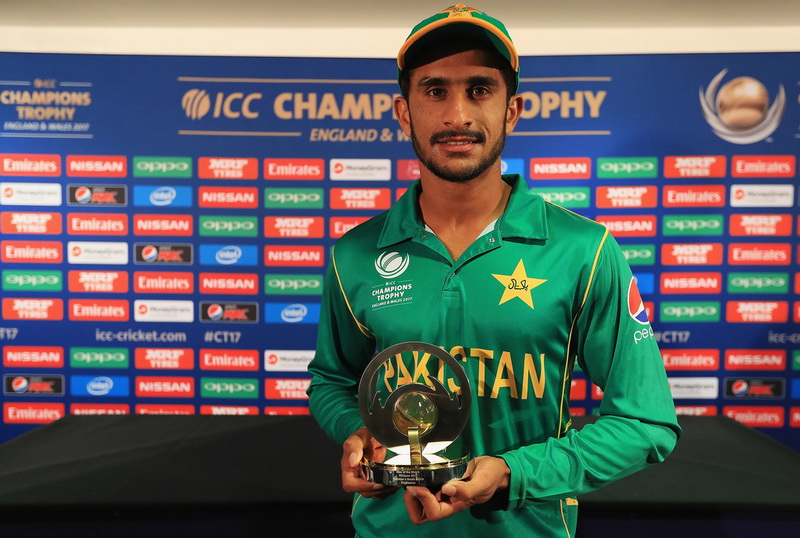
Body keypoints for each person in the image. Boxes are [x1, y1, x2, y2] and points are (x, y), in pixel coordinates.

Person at [307, 4, 680, 537]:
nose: (457, 115)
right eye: (435, 91)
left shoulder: (585, 250)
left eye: (479, 89)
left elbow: (647, 424)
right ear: (404, 112)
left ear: (512, 110)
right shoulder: (355, 254)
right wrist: (357, 429)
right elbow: (332, 379)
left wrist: (513, 472)